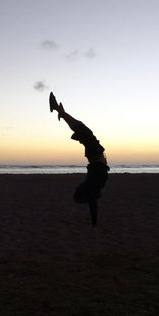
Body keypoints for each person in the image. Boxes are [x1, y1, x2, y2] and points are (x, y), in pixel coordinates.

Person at [49, 92, 109, 226]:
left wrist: (94, 222)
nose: (80, 185)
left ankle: (60, 111)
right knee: (83, 131)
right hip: (94, 155)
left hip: (95, 155)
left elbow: (92, 203)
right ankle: (61, 112)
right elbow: (92, 203)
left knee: (83, 130)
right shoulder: (94, 186)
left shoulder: (93, 184)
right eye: (80, 187)